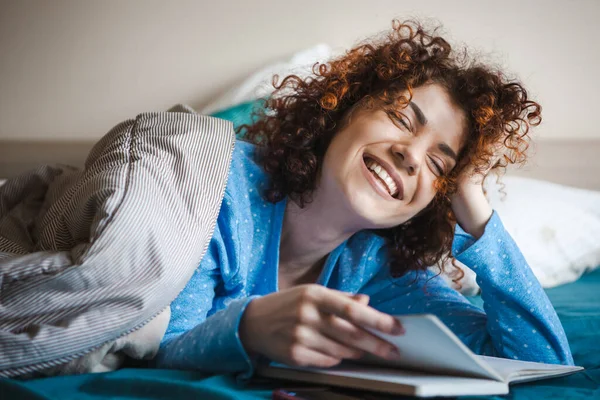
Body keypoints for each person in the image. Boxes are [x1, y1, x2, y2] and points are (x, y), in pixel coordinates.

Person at [153, 20, 575, 377]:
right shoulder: (217, 184)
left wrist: (475, 212)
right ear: (342, 112)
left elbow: (541, 365)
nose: (411, 156)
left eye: (438, 166)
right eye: (400, 118)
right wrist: (250, 330)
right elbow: (151, 347)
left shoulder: (383, 271)